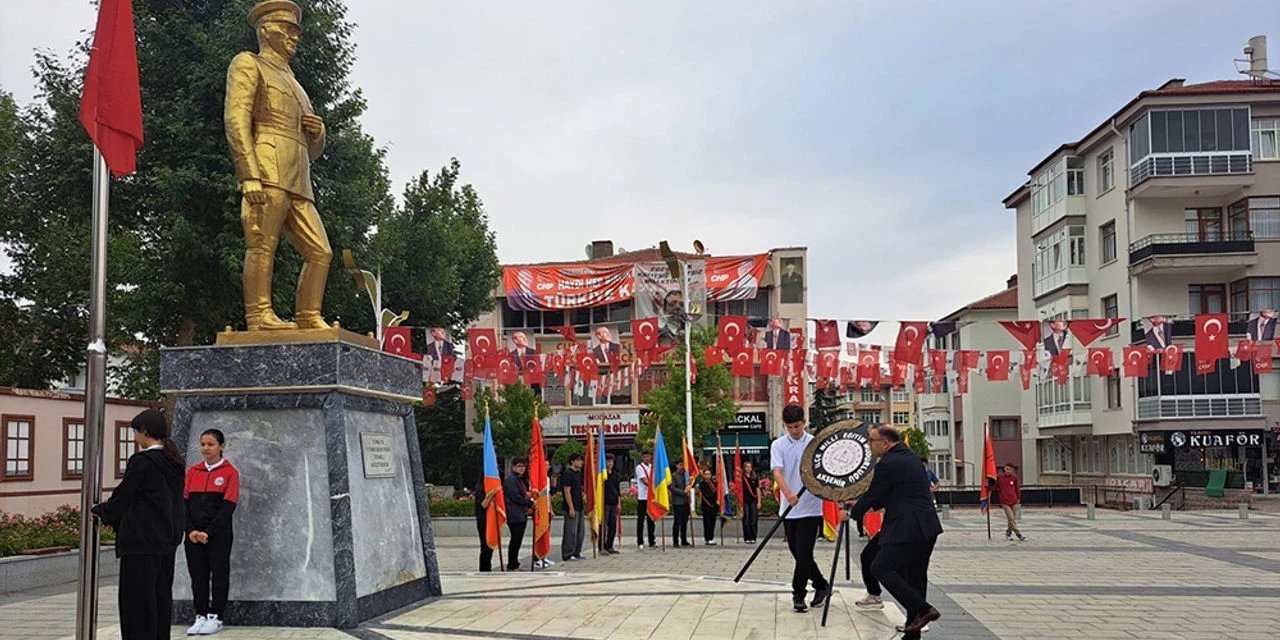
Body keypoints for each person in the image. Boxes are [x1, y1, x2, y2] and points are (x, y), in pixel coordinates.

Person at [227, 0, 333, 331]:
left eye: (296, 30)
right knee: (262, 244)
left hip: (299, 177)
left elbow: (310, 147)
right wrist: (249, 175)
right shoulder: (249, 64)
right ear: (266, 30)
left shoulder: (296, 83)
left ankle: (307, 315)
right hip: (267, 171)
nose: (294, 36)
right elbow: (236, 119)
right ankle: (258, 316)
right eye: (287, 29)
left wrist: (319, 134)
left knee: (321, 251)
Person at [91, 409, 185, 640]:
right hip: (166, 540)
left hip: (141, 542)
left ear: (144, 431)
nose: (135, 437)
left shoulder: (143, 461)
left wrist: (101, 511)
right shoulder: (173, 460)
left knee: (137, 603)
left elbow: (124, 496)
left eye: (135, 432)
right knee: (159, 598)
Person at [851, 425, 944, 638]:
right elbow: (890, 493)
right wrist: (860, 504)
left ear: (885, 443)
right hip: (926, 526)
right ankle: (913, 632)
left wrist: (853, 512)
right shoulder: (909, 457)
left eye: (871, 441)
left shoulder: (888, 464)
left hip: (907, 528)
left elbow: (874, 494)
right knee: (915, 577)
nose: (869, 445)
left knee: (880, 567)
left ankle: (923, 609)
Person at [770, 404, 830, 613]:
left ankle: (798, 594)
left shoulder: (814, 444)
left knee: (804, 553)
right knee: (798, 553)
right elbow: (777, 472)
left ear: (804, 422)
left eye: (797, 426)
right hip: (789, 507)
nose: (794, 430)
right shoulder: (778, 445)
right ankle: (822, 584)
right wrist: (788, 494)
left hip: (811, 507)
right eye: (790, 427)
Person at [183, 428, 240, 635]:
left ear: (221, 446)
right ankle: (201, 614)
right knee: (197, 576)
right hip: (193, 536)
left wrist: (209, 532)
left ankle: (216, 616)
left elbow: (228, 506)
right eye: (203, 444)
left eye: (211, 444)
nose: (205, 448)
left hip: (218, 536)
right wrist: (190, 530)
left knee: (218, 575)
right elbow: (184, 504)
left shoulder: (229, 473)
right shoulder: (193, 472)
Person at [504, 458, 534, 570]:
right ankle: (512, 564)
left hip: (521, 514)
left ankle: (514, 563)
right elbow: (515, 497)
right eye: (519, 466)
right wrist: (529, 503)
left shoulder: (519, 480)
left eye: (523, 466)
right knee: (515, 540)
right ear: (513, 467)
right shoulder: (511, 480)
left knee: (518, 540)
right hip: (514, 514)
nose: (522, 468)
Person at [560, 453, 586, 561]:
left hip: (579, 506)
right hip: (571, 506)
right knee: (571, 532)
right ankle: (567, 553)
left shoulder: (579, 473)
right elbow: (567, 491)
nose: (581, 462)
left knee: (580, 532)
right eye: (579, 460)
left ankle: (577, 552)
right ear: (572, 461)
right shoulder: (568, 473)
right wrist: (571, 507)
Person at [473, 477, 500, 572]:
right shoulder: (481, 489)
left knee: (488, 548)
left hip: (489, 520)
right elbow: (483, 504)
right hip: (483, 521)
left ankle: (487, 568)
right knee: (485, 547)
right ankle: (484, 569)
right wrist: (491, 494)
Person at [997, 463, 1026, 542]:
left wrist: (1018, 498)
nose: (1008, 471)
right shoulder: (1000, 477)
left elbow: (1017, 488)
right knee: (1011, 518)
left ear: (1012, 470)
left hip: (1013, 500)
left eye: (1009, 469)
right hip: (1005, 501)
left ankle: (1008, 533)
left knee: (1011, 519)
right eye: (1006, 469)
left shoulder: (1014, 478)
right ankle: (1018, 534)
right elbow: (995, 487)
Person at [634, 452, 656, 549]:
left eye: (648, 456)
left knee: (651, 520)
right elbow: (644, 480)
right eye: (645, 457)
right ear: (642, 458)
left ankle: (652, 541)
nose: (647, 458)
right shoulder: (639, 467)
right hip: (643, 497)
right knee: (641, 520)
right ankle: (640, 542)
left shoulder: (652, 467)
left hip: (651, 497)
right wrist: (653, 487)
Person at [602, 454, 621, 554]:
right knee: (604, 526)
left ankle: (610, 545)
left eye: (611, 462)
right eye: (608, 461)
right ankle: (602, 546)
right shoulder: (602, 475)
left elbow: (618, 490)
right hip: (604, 503)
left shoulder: (616, 474)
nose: (610, 464)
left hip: (613, 502)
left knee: (612, 526)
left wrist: (619, 503)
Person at [671, 460, 691, 547]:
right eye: (680, 465)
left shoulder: (686, 476)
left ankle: (684, 540)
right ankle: (675, 541)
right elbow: (672, 488)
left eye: (683, 465)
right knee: (677, 522)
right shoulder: (673, 476)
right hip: (678, 501)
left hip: (686, 501)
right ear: (676, 466)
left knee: (684, 522)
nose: (682, 466)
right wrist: (683, 492)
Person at [697, 468, 719, 546]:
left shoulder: (714, 483)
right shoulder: (702, 484)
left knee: (713, 522)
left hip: (714, 506)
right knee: (707, 523)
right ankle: (708, 538)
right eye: (706, 474)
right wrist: (713, 498)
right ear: (703, 475)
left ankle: (711, 537)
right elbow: (707, 494)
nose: (707, 476)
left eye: (709, 474)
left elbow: (717, 492)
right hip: (707, 505)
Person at [741, 461, 760, 543]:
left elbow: (757, 490)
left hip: (753, 501)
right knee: (746, 519)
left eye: (750, 467)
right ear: (744, 468)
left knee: (753, 519)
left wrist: (759, 501)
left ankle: (753, 537)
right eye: (746, 467)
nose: (748, 469)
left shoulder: (754, 478)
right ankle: (747, 537)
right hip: (745, 501)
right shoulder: (741, 478)